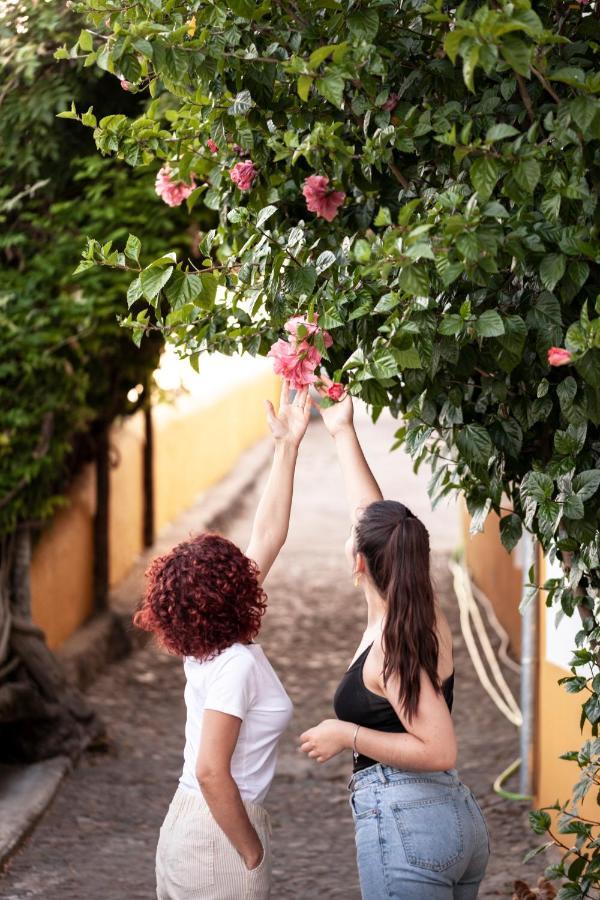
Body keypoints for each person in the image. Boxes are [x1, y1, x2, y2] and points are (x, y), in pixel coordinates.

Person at [299, 379, 490, 899]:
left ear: (359, 563)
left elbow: (439, 747)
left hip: (410, 824)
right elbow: (374, 518)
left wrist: (346, 735)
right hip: (450, 818)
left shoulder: (391, 647)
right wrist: (341, 430)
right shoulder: (421, 615)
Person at [134, 382, 311, 900]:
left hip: (187, 827)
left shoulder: (205, 647)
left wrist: (288, 446)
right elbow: (213, 770)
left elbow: (269, 533)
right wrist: (252, 853)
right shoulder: (233, 664)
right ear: (233, 591)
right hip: (216, 839)